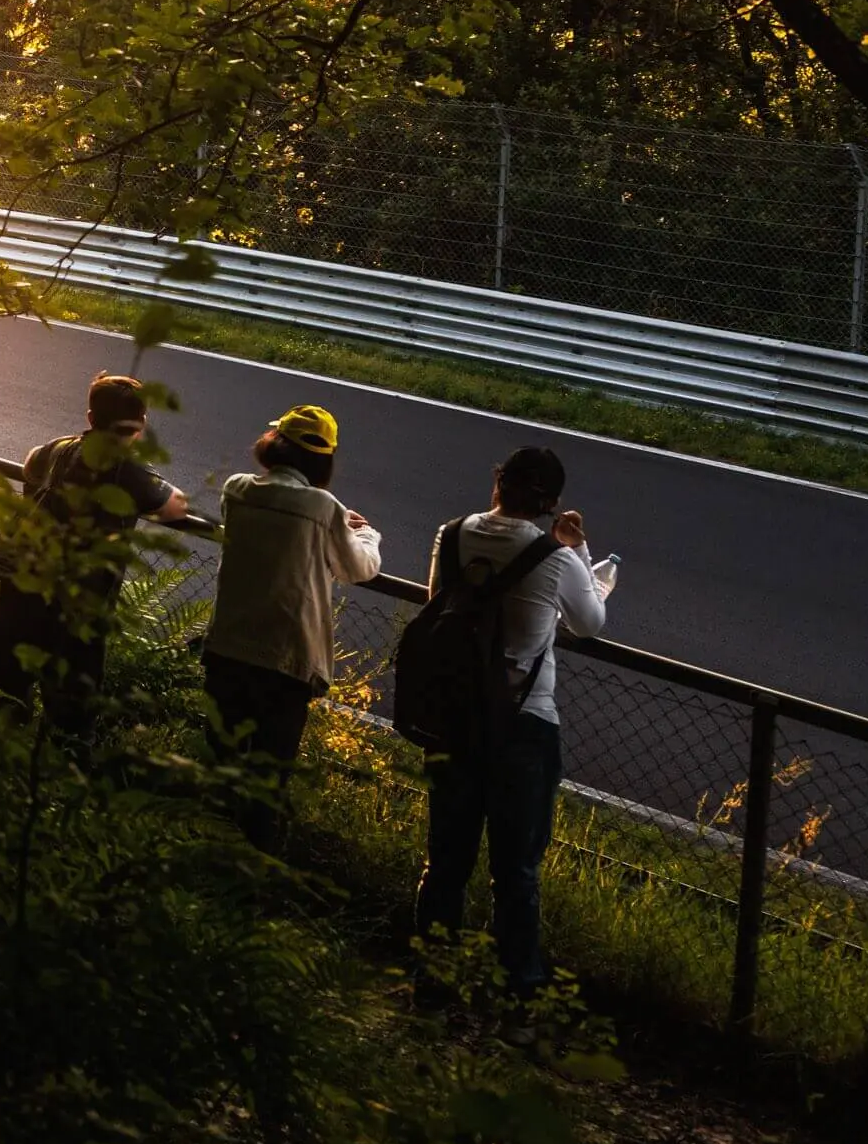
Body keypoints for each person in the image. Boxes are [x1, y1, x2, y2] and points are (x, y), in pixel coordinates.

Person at [413, 445, 607, 994]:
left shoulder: (450, 536)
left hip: (453, 716)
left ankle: (431, 977)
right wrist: (578, 547)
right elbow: (590, 622)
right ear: (551, 504)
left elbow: (438, 604)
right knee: (516, 870)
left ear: (498, 484)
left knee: (446, 858)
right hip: (525, 724)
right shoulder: (560, 556)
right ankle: (518, 993)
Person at [200, 404, 381, 849]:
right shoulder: (323, 507)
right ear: (324, 459)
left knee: (219, 762)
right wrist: (366, 534)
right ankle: (256, 866)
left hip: (227, 648)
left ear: (273, 443)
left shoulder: (237, 489)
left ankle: (204, 853)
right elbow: (359, 568)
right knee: (269, 775)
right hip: (286, 662)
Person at [0, 372, 190, 716]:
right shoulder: (128, 471)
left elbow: (31, 464)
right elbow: (176, 506)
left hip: (17, 586)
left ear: (91, 418)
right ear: (141, 424)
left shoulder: (60, 448)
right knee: (72, 707)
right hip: (74, 607)